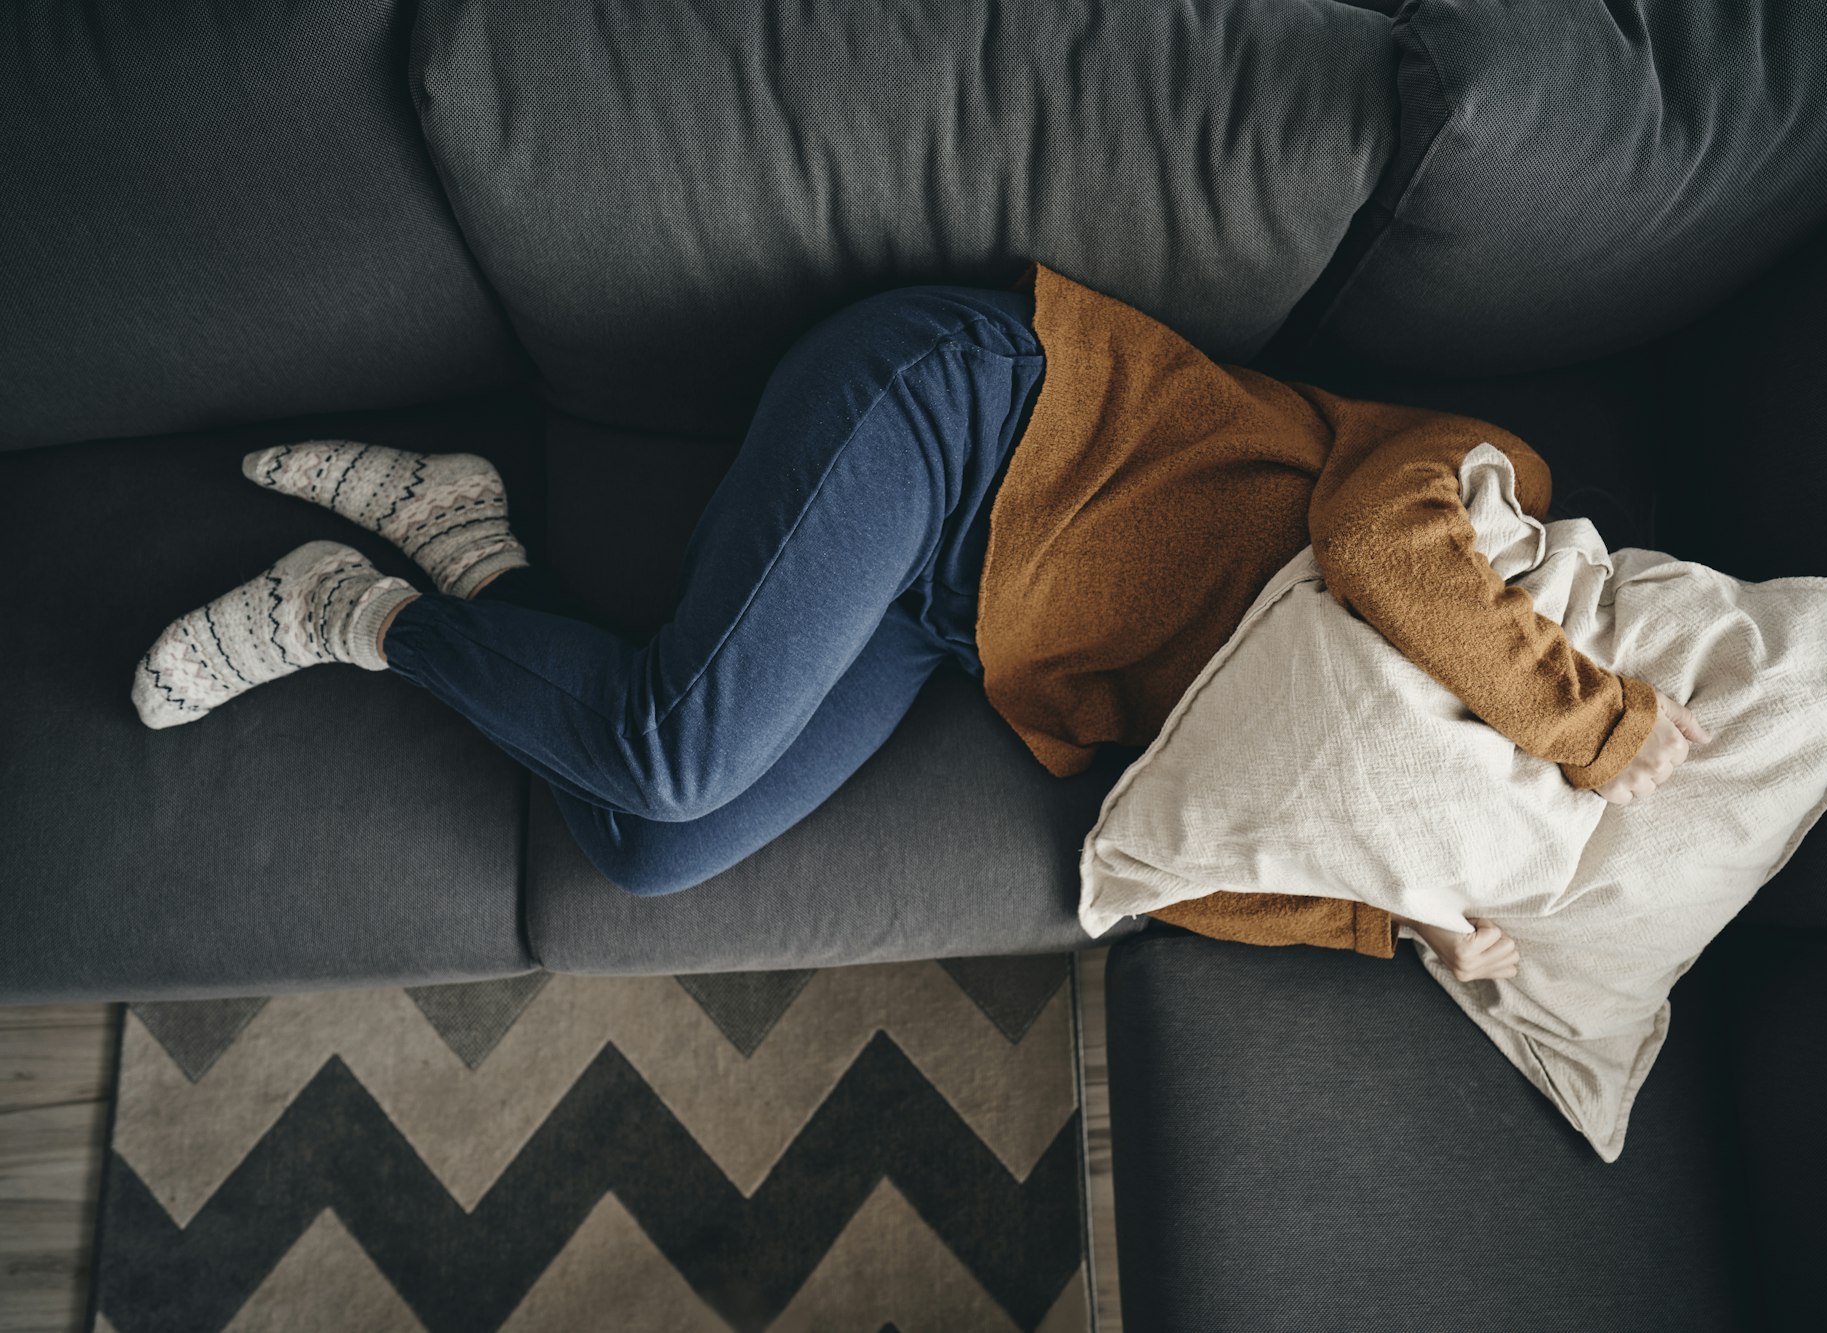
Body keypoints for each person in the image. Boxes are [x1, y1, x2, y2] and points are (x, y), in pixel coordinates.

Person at [131, 261, 1709, 984]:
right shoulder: (1495, 500)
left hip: (953, 607)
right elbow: (1379, 542)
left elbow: (1155, 849)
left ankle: (460, 545)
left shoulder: (1397, 780)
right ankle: (347, 612)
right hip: (966, 412)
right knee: (674, 761)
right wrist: (1591, 717)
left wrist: (1383, 917)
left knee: (645, 844)